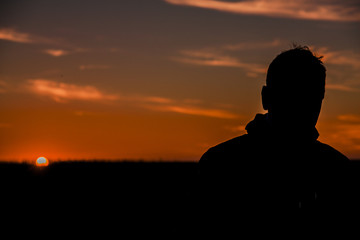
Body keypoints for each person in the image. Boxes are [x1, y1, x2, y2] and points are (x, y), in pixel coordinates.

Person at [198, 45, 350, 233]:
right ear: (266, 97)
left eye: (310, 97)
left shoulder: (338, 171)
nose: (301, 108)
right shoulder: (220, 165)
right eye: (291, 95)